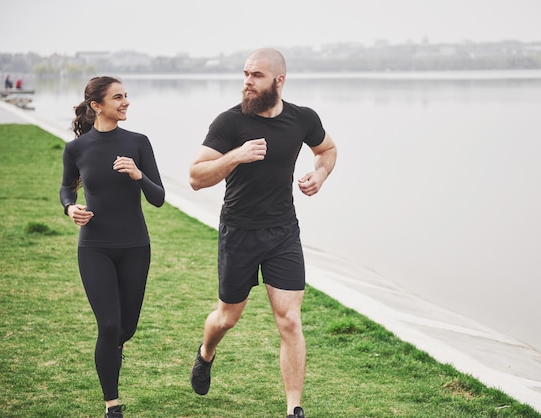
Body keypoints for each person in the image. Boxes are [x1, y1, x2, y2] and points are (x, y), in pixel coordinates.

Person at [188, 48, 337, 418]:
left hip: (283, 232)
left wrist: (320, 174)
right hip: (238, 231)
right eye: (245, 74)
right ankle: (206, 354)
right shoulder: (230, 123)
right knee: (227, 317)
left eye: (255, 75)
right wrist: (234, 156)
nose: (247, 82)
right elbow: (195, 177)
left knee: (289, 319)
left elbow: (328, 149)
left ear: (278, 81)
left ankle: (294, 408)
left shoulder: (303, 119)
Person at [60, 76, 165, 418]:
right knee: (108, 326)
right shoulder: (77, 148)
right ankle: (112, 407)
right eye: (118, 97)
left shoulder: (138, 142)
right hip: (94, 247)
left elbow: (159, 198)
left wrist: (138, 175)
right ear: (97, 105)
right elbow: (67, 188)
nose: (126, 102)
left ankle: (115, 348)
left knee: (125, 328)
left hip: (135, 246)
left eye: (126, 96)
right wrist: (69, 207)